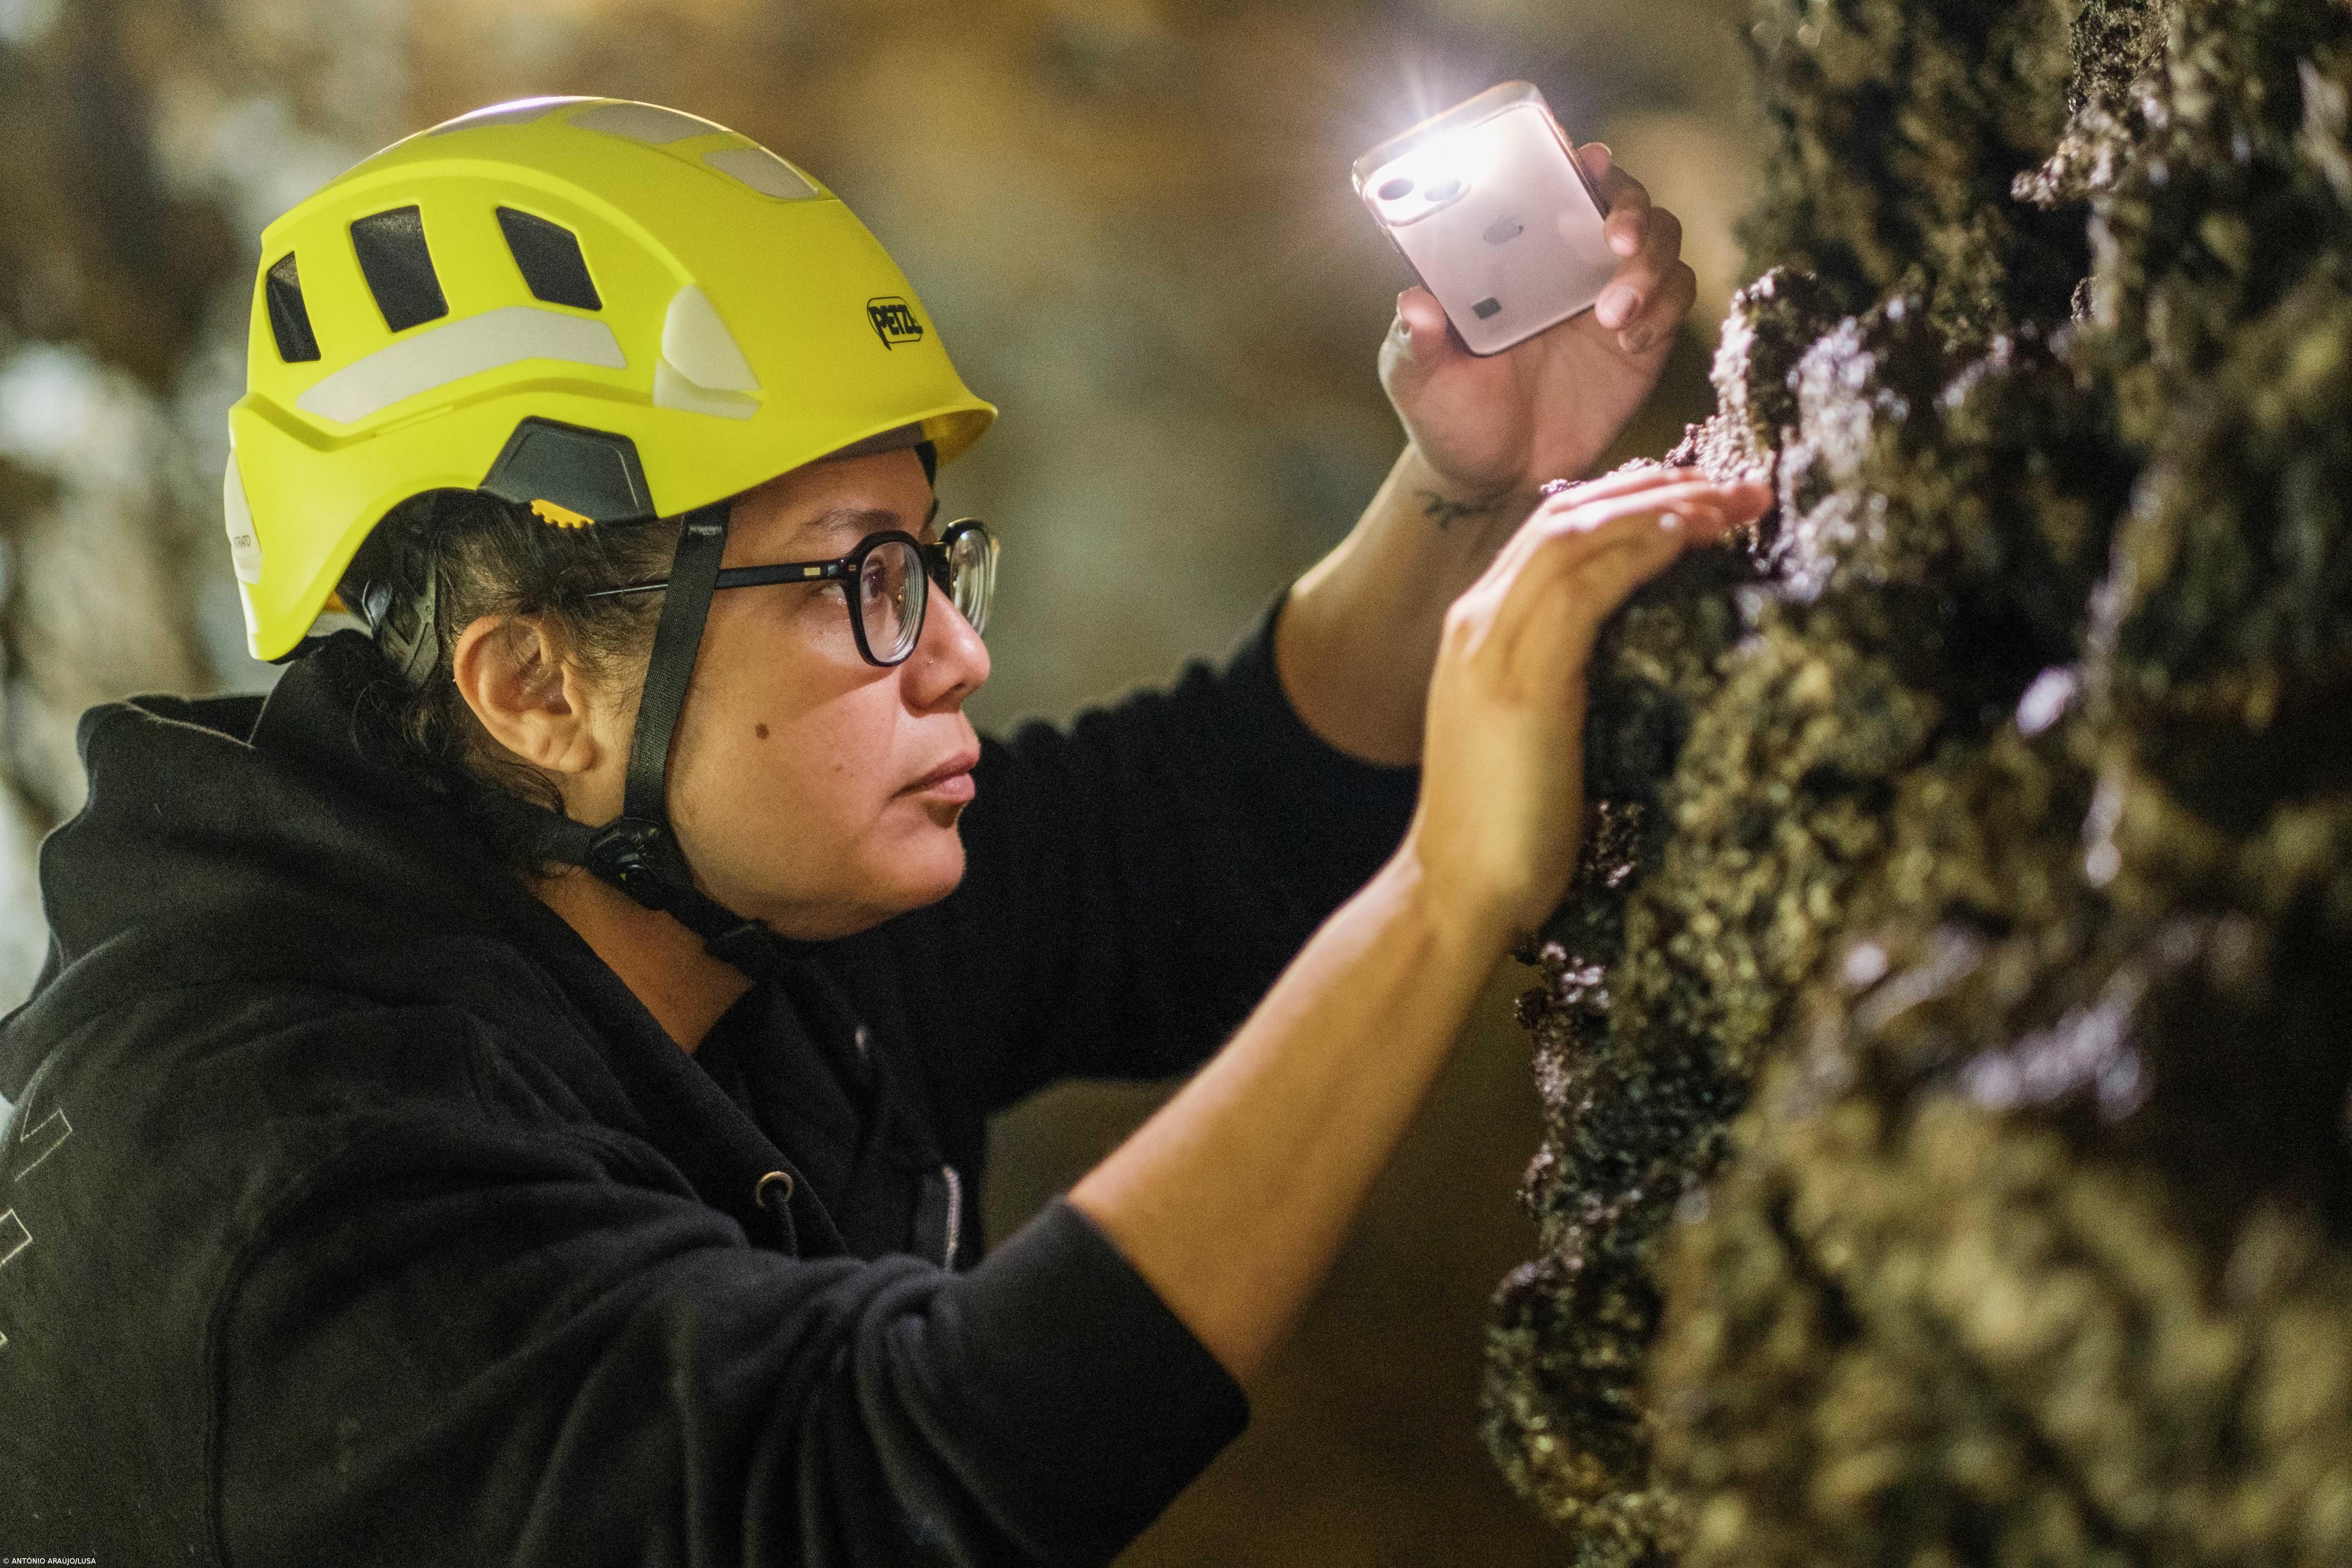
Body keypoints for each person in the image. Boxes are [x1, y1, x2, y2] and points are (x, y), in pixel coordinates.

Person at [0, 97, 1769, 1564]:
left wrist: (1465, 478)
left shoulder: (689, 898)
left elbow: (1187, 839)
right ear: (534, 683)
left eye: (930, 558)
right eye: (860, 575)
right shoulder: (270, 1179)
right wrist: (1453, 888)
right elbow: (866, 1487)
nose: (957, 651)